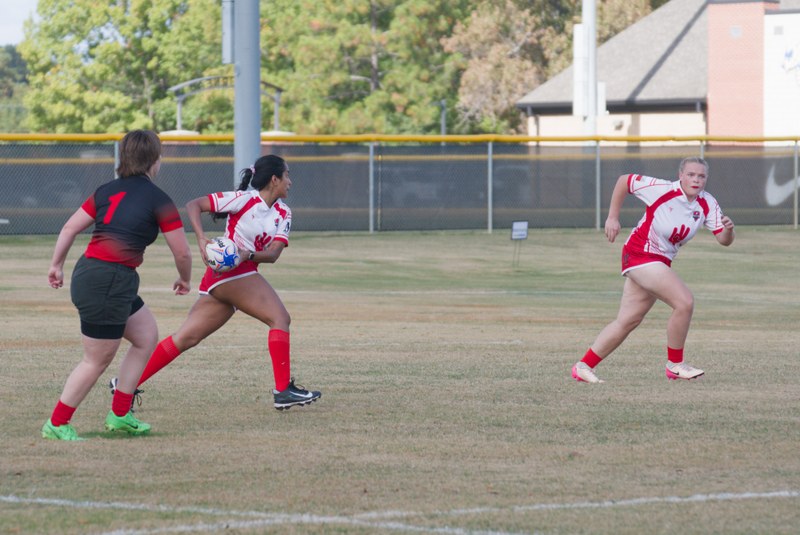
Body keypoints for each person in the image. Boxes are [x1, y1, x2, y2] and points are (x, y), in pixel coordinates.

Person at [123, 154, 321, 411]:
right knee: (280, 318)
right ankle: (283, 391)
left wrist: (245, 255)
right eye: (287, 175)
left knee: (186, 338)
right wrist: (202, 239)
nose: (290, 182)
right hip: (230, 274)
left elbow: (272, 254)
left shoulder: (284, 213)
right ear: (274, 179)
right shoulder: (243, 200)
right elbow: (194, 205)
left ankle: (125, 384)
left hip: (239, 270)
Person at [42, 130, 192, 440]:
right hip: (108, 280)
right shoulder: (159, 199)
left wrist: (57, 264)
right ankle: (56, 424)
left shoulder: (106, 190)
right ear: (154, 160)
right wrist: (185, 278)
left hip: (99, 275)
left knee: (146, 336)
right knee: (97, 359)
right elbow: (182, 251)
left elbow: (70, 227)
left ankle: (120, 415)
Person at [572, 157, 735, 384]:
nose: (696, 180)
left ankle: (583, 366)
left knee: (628, 320)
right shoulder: (661, 189)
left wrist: (729, 230)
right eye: (691, 174)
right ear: (680, 175)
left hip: (660, 261)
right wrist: (612, 217)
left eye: (701, 176)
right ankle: (675, 365)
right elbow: (624, 181)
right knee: (684, 302)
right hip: (640, 254)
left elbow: (723, 240)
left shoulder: (707, 203)